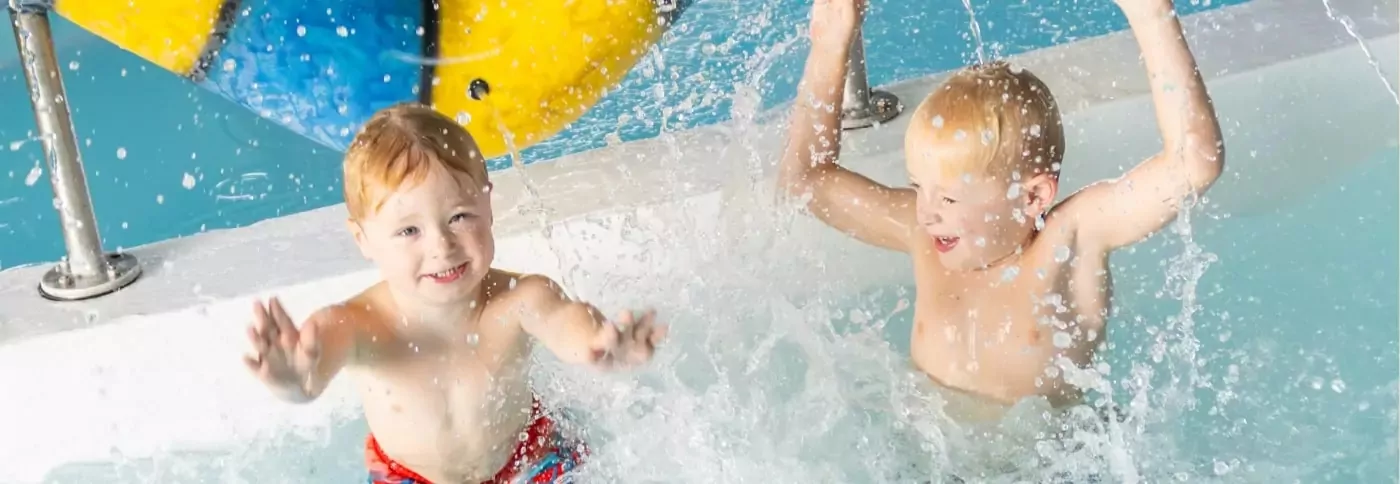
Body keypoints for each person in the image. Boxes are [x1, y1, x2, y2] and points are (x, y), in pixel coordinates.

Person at [778, 0, 1223, 412]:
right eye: (918, 187)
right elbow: (807, 181)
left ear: (1032, 197)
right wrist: (831, 40)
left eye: (948, 197)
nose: (925, 211)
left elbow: (1194, 163)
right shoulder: (922, 233)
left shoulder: (1071, 241)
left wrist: (1150, 14)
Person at [242, 103, 667, 484]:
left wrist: (600, 345)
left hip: (531, 462)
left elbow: (565, 321)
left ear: (488, 204)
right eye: (409, 230)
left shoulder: (519, 299)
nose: (441, 247)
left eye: (459, 216)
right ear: (363, 239)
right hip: (408, 479)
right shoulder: (355, 325)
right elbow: (309, 380)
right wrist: (292, 381)